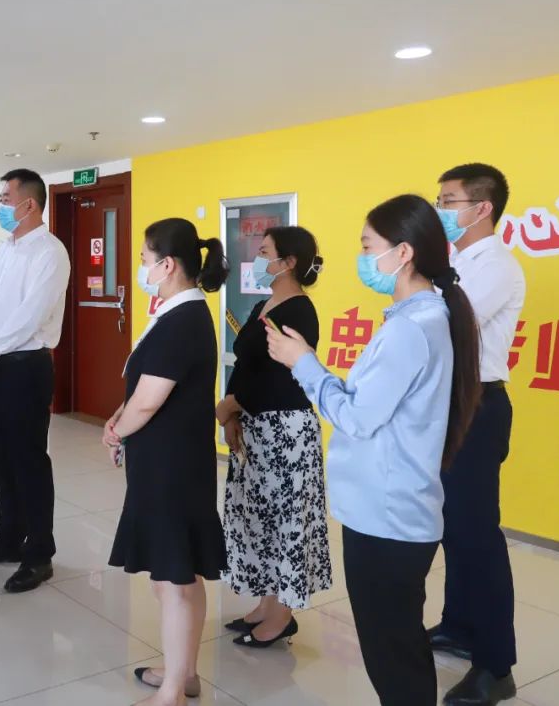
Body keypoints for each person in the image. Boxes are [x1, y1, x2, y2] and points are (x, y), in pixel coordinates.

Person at [267, 194, 481, 706]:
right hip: (391, 510)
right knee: (396, 645)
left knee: (392, 652)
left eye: (368, 247)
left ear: (403, 253)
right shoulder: (420, 317)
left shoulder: (412, 327)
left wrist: (303, 363)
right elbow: (373, 403)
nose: (363, 258)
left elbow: (358, 417)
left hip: (387, 518)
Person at [104, 218, 229, 706]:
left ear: (168, 264)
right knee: (176, 573)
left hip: (171, 467)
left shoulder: (183, 321)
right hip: (170, 461)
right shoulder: (178, 313)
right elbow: (141, 388)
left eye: (143, 259)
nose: (141, 267)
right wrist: (120, 416)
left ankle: (174, 690)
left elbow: (150, 400)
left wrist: (117, 429)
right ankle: (184, 673)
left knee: (174, 580)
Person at [429, 164, 525, 706]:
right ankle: (459, 626)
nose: (440, 209)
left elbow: (447, 324)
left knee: (476, 534)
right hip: (447, 403)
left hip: (477, 405)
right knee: (450, 526)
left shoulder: (497, 266)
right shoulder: (455, 262)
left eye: (448, 200)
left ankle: (496, 664)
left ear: (481, 208)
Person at [216, 226, 332, 647]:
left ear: (289, 262)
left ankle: (283, 614)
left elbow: (283, 379)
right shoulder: (265, 304)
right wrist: (233, 411)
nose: (257, 260)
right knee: (260, 519)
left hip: (285, 432)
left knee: (285, 522)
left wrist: (232, 403)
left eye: (265, 252)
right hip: (256, 428)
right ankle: (267, 603)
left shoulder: (300, 311)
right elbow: (247, 364)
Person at [0, 168, 70, 593]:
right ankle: (8, 538)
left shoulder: (50, 252)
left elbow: (30, 317)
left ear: (30, 204)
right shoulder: (7, 249)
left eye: (6, 199)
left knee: (28, 460)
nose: (2, 206)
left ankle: (39, 553)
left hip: (25, 367)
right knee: (2, 457)